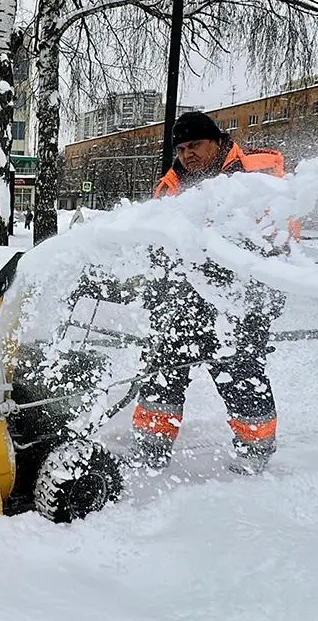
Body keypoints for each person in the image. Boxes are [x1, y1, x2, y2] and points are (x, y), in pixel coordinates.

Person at [131, 111, 290, 475]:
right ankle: (150, 452)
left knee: (239, 373)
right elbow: (155, 244)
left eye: (195, 145)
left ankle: (254, 453)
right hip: (182, 302)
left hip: (241, 302)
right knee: (163, 372)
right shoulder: (171, 187)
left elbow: (280, 232)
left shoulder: (257, 173)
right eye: (182, 148)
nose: (188, 154)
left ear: (218, 141)